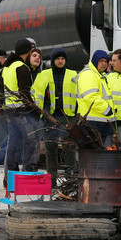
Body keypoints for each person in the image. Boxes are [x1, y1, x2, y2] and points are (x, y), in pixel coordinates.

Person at [33, 48, 78, 186]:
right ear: (53, 60)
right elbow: (37, 94)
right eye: (57, 58)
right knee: (50, 148)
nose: (60, 61)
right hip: (50, 116)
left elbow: (79, 94)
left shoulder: (73, 74)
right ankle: (51, 179)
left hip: (68, 116)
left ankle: (71, 177)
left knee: (69, 148)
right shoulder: (44, 74)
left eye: (62, 58)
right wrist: (41, 114)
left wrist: (78, 114)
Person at [2, 38, 39, 179]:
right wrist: (35, 111)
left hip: (10, 111)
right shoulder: (22, 68)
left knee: (13, 144)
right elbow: (25, 94)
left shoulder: (7, 67)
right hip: (22, 112)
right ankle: (28, 176)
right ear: (27, 52)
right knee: (31, 143)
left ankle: (10, 177)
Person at [74, 50, 115, 147]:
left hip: (97, 122)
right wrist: (107, 109)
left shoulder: (97, 74)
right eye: (101, 61)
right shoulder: (88, 74)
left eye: (106, 61)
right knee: (93, 152)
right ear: (95, 61)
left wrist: (113, 109)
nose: (104, 64)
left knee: (97, 153)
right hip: (92, 123)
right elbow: (91, 97)